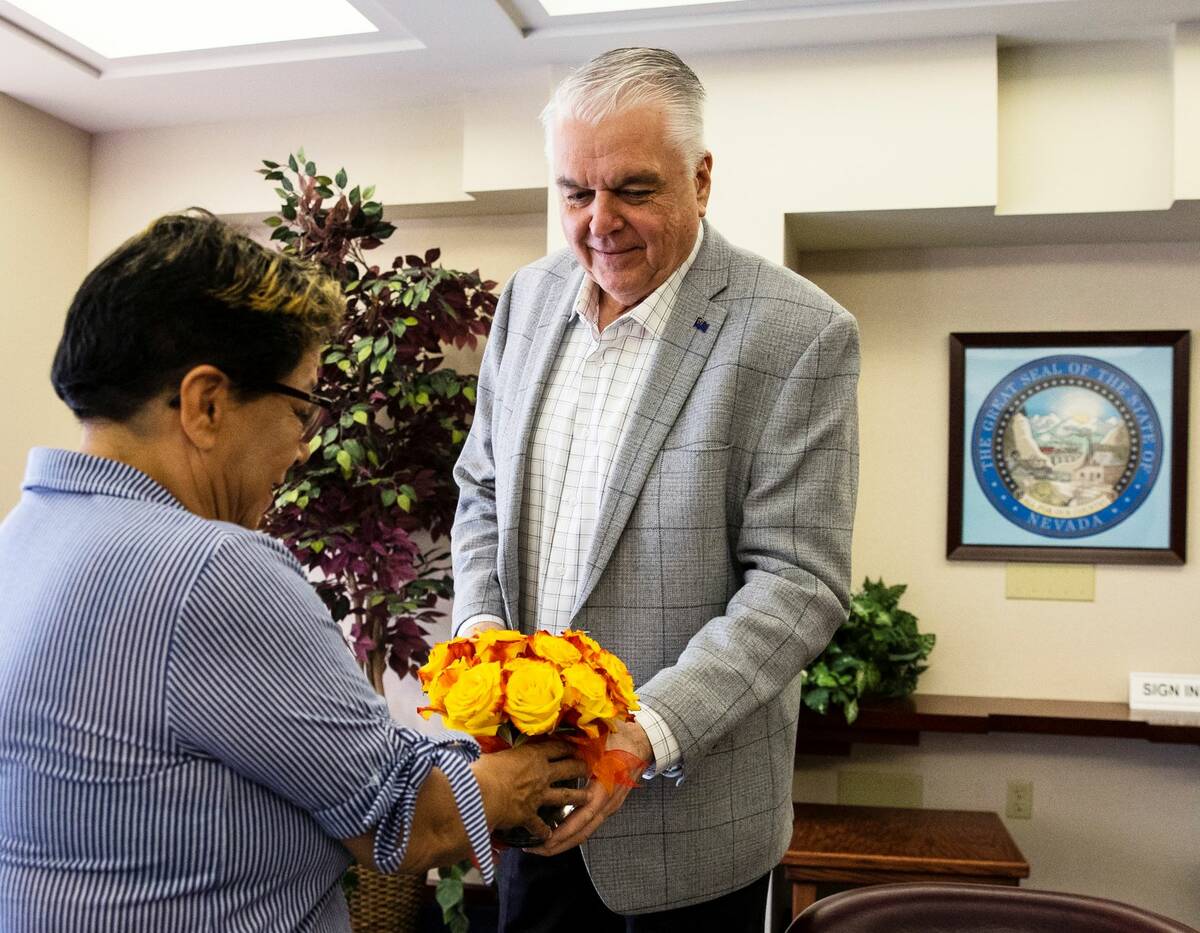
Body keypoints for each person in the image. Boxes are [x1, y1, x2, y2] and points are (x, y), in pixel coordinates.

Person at [0, 211, 588, 931]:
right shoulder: (211, 570)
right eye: (301, 406)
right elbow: (404, 818)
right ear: (207, 403)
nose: (302, 448)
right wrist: (519, 776)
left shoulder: (21, 540)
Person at [450, 48, 860, 931]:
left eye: (633, 189)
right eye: (575, 192)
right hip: (531, 797)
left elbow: (798, 581)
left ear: (702, 179)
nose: (600, 223)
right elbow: (481, 490)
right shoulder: (527, 300)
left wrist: (642, 735)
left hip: (692, 826)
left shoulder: (799, 332)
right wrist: (482, 642)